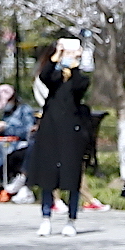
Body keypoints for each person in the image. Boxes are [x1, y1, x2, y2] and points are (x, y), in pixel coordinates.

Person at [30, 39, 91, 237]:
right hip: (50, 128)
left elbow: (78, 87)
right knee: (48, 175)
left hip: (72, 130)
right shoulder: (54, 77)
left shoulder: (80, 78)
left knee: (72, 175)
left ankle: (71, 219)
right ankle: (45, 217)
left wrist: (75, 64)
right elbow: (45, 77)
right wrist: (56, 56)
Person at [0, 83, 37, 186]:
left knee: (6, 156)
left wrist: (7, 128)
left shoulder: (24, 110)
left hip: (20, 146)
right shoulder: (7, 113)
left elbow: (28, 131)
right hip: (5, 143)